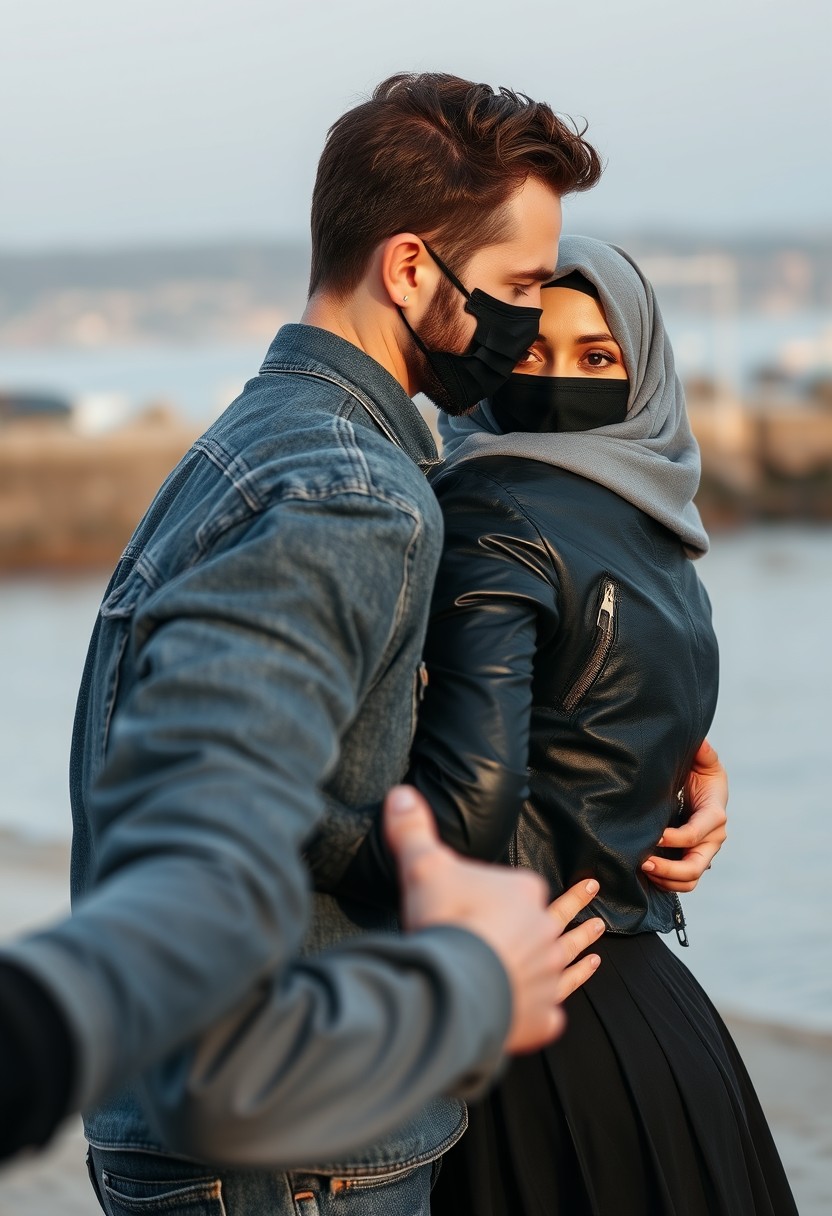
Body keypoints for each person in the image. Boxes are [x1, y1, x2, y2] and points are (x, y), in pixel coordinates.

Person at [0, 73, 617, 1213]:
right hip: (295, 1152)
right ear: (410, 269)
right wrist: (475, 976)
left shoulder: (259, 440)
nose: (528, 320)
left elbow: (313, 780)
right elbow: (217, 814)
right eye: (519, 286)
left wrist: (647, 754)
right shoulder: (353, 495)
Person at [325, 236, 794, 1214]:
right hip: (657, 1016)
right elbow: (611, 733)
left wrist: (288, 832)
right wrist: (687, 781)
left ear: (639, 369)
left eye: (594, 358)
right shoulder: (662, 529)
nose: (555, 382)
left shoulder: (484, 508)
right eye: (529, 351)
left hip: (526, 1030)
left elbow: (469, 821)